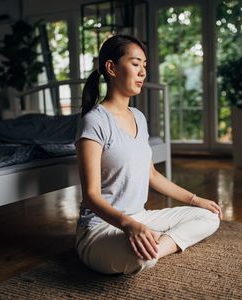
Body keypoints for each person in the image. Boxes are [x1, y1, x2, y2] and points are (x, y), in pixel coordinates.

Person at [75, 35, 222, 275]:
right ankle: (151, 246)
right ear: (111, 68)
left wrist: (196, 200)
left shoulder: (138, 117)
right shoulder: (94, 121)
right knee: (141, 258)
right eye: (135, 64)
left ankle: (153, 244)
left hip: (139, 218)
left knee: (209, 216)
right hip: (99, 229)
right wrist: (129, 225)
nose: (143, 72)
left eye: (144, 66)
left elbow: (152, 175)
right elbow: (91, 196)